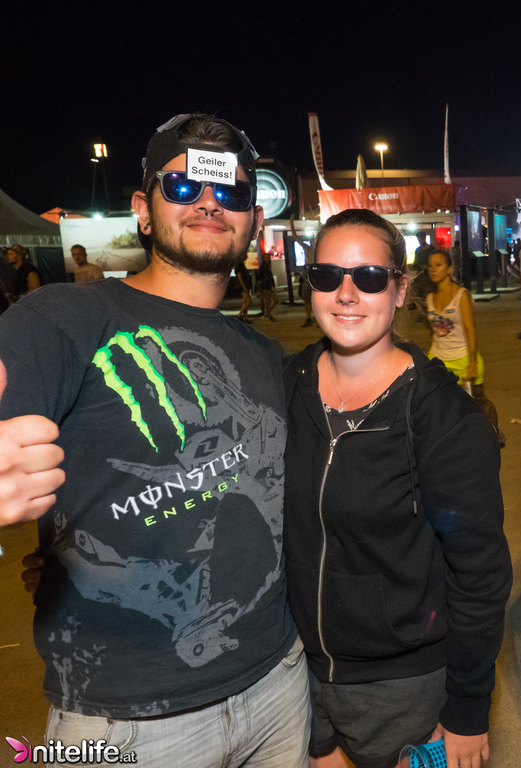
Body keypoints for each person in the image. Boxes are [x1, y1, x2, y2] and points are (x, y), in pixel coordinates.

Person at [0, 113, 310, 766]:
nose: (209, 203)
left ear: (254, 221)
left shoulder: (264, 355)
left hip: (277, 683)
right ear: (144, 210)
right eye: (184, 186)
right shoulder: (64, 318)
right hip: (125, 721)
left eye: (231, 193)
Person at [285, 209, 512, 768]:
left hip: (403, 686)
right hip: (294, 674)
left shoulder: (443, 417)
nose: (346, 294)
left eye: (368, 277)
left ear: (400, 288)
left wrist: (467, 707)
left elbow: (480, 575)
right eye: (327, 276)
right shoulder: (284, 386)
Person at [425, 248, 501, 438]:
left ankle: (493, 436)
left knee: (478, 403)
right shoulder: (429, 298)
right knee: (442, 407)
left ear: (450, 269)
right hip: (439, 361)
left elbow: (469, 329)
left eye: (439, 265)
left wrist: (473, 361)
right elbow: (432, 332)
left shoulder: (461, 295)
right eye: (430, 266)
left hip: (463, 359)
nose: (433, 269)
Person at [257, 247, 278, 320]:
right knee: (268, 301)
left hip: (268, 286)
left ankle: (268, 311)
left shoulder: (267, 266)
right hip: (266, 287)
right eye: (265, 258)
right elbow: (263, 277)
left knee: (274, 300)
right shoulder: (264, 267)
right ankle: (269, 314)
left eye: (268, 258)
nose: (267, 259)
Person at [235, 258, 254, 322]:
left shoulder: (241, 265)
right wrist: (244, 286)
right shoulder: (239, 265)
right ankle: (239, 315)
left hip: (244, 286)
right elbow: (239, 276)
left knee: (245, 302)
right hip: (243, 286)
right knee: (249, 302)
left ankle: (245, 317)